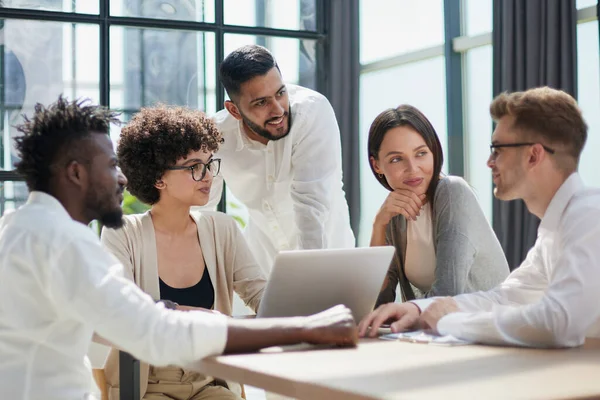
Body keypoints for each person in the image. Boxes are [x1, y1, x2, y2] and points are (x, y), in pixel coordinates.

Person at [0, 96, 358, 400]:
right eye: (111, 166)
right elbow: (153, 331)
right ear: (76, 173)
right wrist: (303, 328)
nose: (121, 178)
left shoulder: (18, 229)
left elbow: (114, 324)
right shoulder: (62, 242)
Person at [359, 87, 600, 348]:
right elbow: (505, 298)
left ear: (533, 155)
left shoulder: (589, 216)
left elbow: (558, 323)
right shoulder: (554, 232)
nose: (488, 161)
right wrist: (419, 309)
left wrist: (449, 322)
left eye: (497, 149)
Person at [100, 105, 268, 399]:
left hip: (208, 378)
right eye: (194, 167)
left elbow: (260, 295)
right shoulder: (122, 233)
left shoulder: (222, 228)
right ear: (158, 178)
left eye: (208, 163)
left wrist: (306, 314)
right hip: (146, 384)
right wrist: (203, 317)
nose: (207, 176)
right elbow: (123, 311)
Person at [203, 44, 355, 273]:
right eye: (261, 102)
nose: (278, 110)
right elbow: (203, 209)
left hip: (330, 262)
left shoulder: (311, 112)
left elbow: (310, 206)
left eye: (280, 93)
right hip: (262, 267)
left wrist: (312, 281)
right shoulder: (217, 136)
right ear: (234, 111)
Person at [368, 105, 508, 304]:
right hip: (440, 330)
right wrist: (378, 224)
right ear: (377, 165)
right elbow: (378, 301)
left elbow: (448, 293)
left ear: (433, 152)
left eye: (421, 153)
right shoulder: (395, 213)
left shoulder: (452, 191)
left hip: (487, 327)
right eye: (397, 159)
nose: (413, 168)